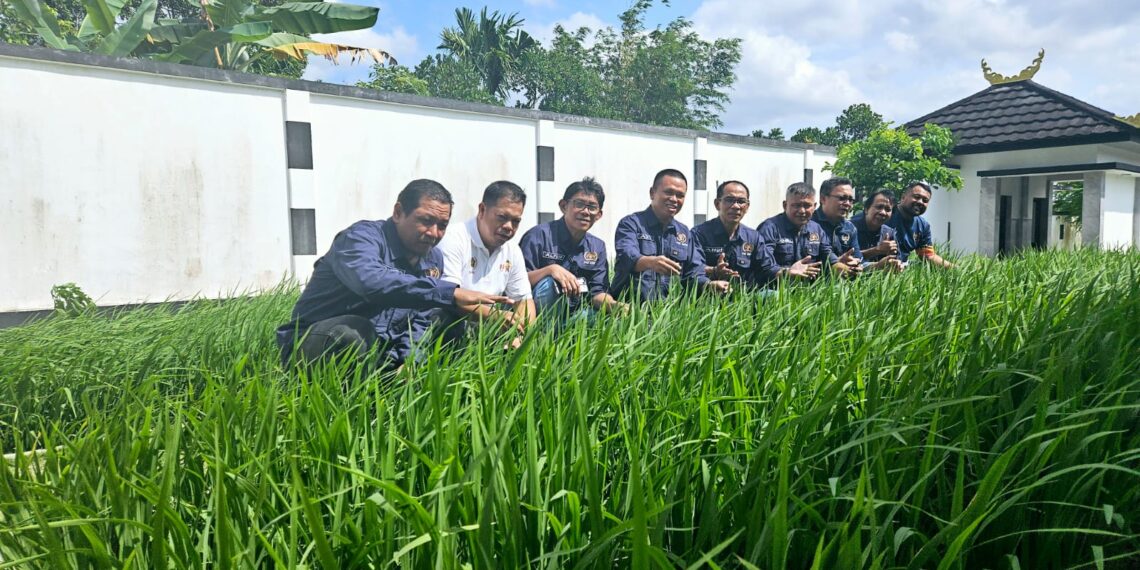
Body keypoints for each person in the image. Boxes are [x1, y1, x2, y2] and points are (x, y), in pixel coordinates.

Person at [275, 179, 510, 369]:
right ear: (398, 212)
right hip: (314, 341)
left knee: (447, 318)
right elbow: (371, 282)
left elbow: (421, 318)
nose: (434, 233)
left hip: (379, 347)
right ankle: (347, 406)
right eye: (425, 221)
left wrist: (410, 360)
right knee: (352, 331)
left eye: (442, 225)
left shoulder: (433, 258)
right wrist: (450, 294)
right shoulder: (361, 238)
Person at [611, 168, 732, 301]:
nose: (674, 199)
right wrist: (650, 262)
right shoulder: (631, 224)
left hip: (668, 311)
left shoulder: (684, 233)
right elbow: (626, 256)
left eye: (680, 195)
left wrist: (709, 285)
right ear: (652, 193)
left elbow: (693, 271)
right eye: (668, 192)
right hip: (628, 308)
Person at [438, 180, 537, 333]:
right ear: (482, 210)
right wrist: (496, 316)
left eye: (516, 221)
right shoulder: (454, 238)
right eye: (502, 217)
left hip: (488, 331)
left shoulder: (512, 250)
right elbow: (448, 296)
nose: (509, 227)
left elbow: (523, 300)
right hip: (450, 328)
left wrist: (521, 335)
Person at [519, 177, 624, 319]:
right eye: (579, 204)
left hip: (576, 314)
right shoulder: (538, 235)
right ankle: (546, 332)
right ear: (563, 206)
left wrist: (615, 306)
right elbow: (517, 282)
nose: (585, 212)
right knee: (549, 284)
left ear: (599, 215)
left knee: (610, 319)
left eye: (592, 207)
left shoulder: (597, 246)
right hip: (537, 314)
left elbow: (597, 292)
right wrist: (550, 270)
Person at [756, 182, 856, 283]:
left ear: (814, 206)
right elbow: (763, 266)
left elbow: (827, 255)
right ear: (785, 205)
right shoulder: (769, 228)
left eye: (807, 206)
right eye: (796, 205)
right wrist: (788, 272)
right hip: (775, 287)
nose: (802, 211)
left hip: (808, 288)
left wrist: (843, 266)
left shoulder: (816, 229)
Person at [691, 180, 768, 285]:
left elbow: (767, 268)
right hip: (709, 292)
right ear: (717, 204)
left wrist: (785, 272)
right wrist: (714, 271)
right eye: (729, 200)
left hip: (745, 293)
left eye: (741, 201)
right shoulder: (699, 234)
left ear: (747, 206)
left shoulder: (753, 237)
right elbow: (692, 268)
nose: (736, 206)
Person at [890, 181, 954, 269]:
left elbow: (928, 256)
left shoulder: (923, 226)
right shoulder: (886, 214)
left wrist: (956, 269)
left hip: (900, 269)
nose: (920, 202)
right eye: (916, 197)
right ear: (903, 197)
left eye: (925, 200)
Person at [811, 177, 863, 278]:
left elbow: (858, 258)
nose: (847, 203)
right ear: (823, 199)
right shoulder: (809, 224)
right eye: (842, 198)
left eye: (850, 200)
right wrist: (836, 263)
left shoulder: (850, 228)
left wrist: (855, 264)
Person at [852, 189, 905, 272]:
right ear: (866, 209)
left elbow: (897, 259)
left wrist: (895, 263)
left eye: (888, 209)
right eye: (879, 207)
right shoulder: (850, 229)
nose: (883, 212)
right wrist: (877, 250)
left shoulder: (889, 233)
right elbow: (846, 258)